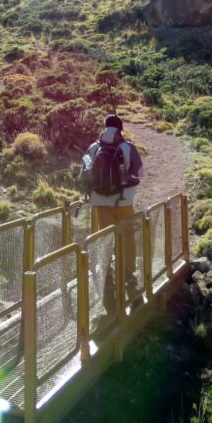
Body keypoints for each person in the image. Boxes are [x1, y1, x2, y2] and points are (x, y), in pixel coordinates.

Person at [81, 114, 144, 306]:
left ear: (105, 127)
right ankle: (128, 275)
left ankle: (107, 276)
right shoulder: (128, 147)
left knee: (105, 238)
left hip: (100, 202)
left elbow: (84, 173)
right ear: (120, 129)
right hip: (124, 201)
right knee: (127, 238)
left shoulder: (93, 147)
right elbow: (140, 173)